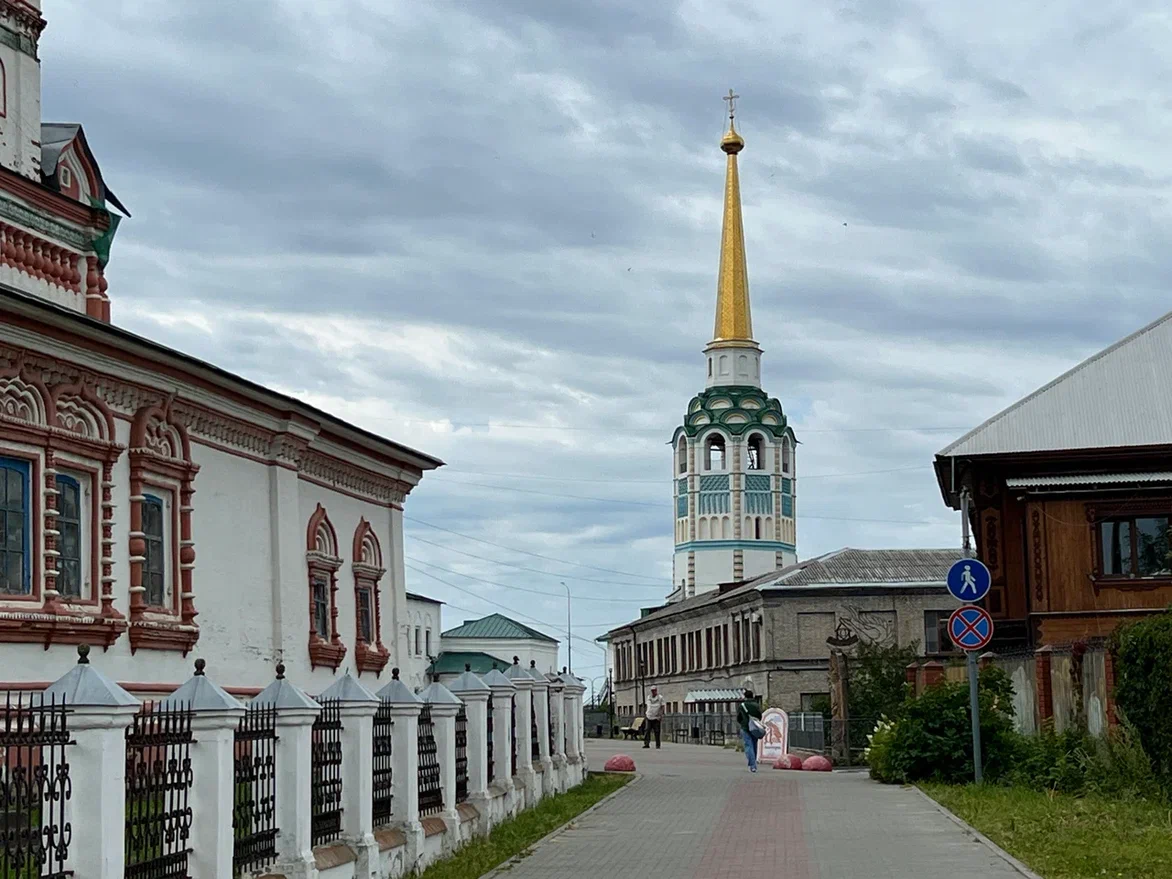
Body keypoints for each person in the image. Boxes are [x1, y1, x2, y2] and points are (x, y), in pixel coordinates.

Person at [737, 689, 763, 772]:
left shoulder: (742, 705)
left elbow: (739, 717)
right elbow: (760, 716)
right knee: (754, 745)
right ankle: (753, 762)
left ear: (745, 696)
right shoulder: (756, 705)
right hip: (755, 728)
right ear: (752, 696)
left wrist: (743, 722)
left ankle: (753, 765)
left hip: (745, 727)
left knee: (748, 745)